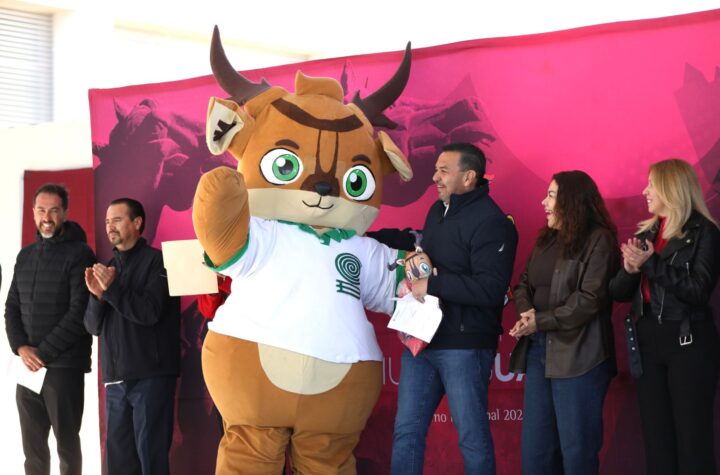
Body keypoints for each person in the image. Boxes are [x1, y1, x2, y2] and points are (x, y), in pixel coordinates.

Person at [387, 143, 518, 475]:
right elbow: (434, 266)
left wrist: (432, 284)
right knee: (406, 433)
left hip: (465, 346)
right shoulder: (436, 211)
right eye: (436, 170)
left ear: (469, 176)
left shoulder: (493, 222)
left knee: (471, 438)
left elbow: (490, 289)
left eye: (444, 171)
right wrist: (418, 264)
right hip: (422, 342)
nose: (435, 177)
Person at [609, 159, 720, 475]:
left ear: (671, 188)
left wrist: (651, 264)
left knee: (692, 441)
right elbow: (617, 292)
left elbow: (698, 290)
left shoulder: (704, 232)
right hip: (648, 343)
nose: (645, 192)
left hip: (689, 343)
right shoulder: (647, 232)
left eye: (651, 185)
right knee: (657, 440)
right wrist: (630, 270)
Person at [508, 171, 619, 474]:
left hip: (580, 356)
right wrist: (528, 313)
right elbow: (523, 284)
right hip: (539, 351)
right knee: (536, 452)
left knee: (577, 452)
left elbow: (590, 299)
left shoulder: (599, 239)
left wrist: (540, 321)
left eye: (551, 195)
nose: (543, 203)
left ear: (571, 201)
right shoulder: (546, 239)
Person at [83, 198, 180, 475]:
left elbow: (150, 312)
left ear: (137, 223)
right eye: (106, 222)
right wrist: (97, 297)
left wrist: (112, 290)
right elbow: (91, 326)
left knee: (152, 460)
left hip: (151, 378)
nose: (109, 227)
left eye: (116, 220)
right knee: (119, 464)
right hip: (115, 381)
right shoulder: (107, 268)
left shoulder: (159, 262)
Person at [4, 183, 95, 475]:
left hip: (64, 368)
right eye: (41, 210)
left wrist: (41, 353)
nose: (47, 217)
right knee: (32, 452)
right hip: (27, 368)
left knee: (67, 447)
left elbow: (78, 314)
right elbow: (11, 307)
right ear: (33, 212)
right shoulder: (25, 256)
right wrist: (21, 348)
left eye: (54, 210)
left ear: (64, 213)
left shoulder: (81, 254)